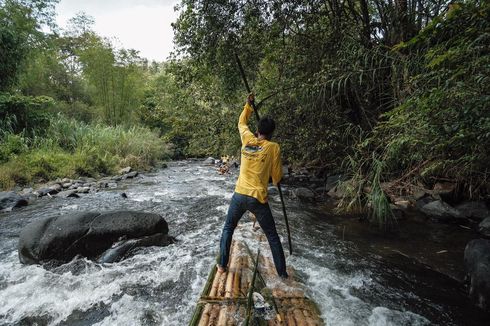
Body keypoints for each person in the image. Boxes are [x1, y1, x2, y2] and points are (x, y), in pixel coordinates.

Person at [217, 93, 288, 278]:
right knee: (272, 236)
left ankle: (222, 266)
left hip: (239, 195)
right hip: (257, 198)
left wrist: (248, 105)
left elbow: (241, 123)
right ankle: (282, 274)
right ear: (272, 133)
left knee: (228, 228)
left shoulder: (247, 139)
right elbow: (276, 177)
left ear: (257, 129)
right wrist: (275, 178)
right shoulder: (273, 147)